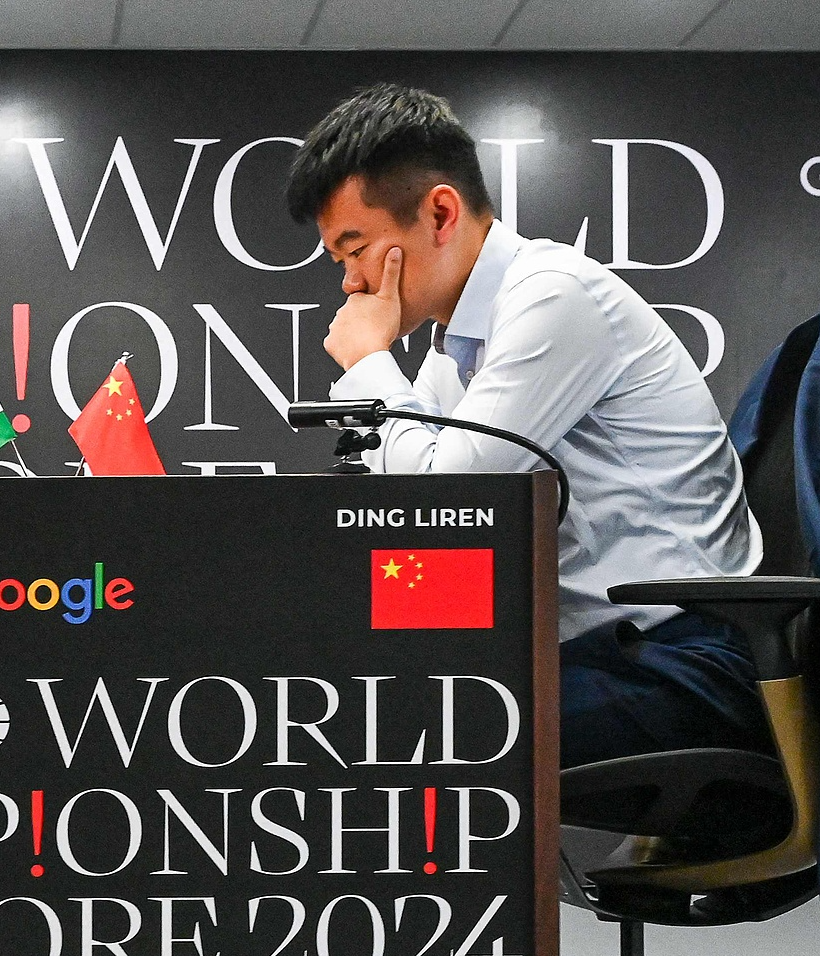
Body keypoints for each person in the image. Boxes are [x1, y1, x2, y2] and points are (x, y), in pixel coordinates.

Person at [284, 83, 768, 768]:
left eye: (355, 249)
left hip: (688, 665)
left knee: (394, 733)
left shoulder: (551, 297)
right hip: (610, 656)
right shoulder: (454, 351)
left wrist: (368, 361)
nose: (351, 283)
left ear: (441, 212)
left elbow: (444, 499)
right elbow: (415, 523)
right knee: (342, 696)